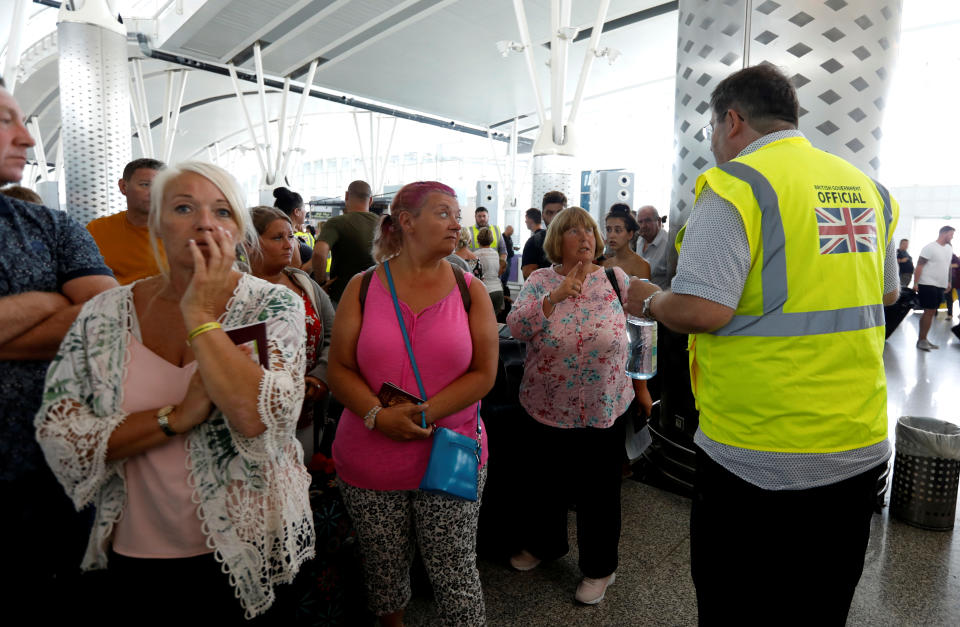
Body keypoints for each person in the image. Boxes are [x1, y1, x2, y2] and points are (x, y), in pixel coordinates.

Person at [626, 64, 900, 624]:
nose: (712, 144)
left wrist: (648, 299)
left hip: (760, 452)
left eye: (709, 130)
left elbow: (703, 308)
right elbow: (889, 291)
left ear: (732, 120)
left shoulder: (738, 186)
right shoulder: (868, 188)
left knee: (739, 605)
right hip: (857, 441)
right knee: (820, 604)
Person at [35, 161, 315, 623]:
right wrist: (177, 418)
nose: (205, 222)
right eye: (184, 207)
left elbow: (257, 419)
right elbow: (63, 436)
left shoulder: (273, 303)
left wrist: (201, 314)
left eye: (222, 212)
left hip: (251, 542)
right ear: (157, 223)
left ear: (238, 228)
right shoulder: (106, 314)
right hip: (138, 547)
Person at [328, 181, 497, 626]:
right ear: (406, 222)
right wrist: (377, 415)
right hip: (371, 456)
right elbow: (339, 367)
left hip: (451, 450)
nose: (456, 222)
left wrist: (422, 413)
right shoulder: (362, 288)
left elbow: (484, 373)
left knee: (456, 572)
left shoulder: (468, 290)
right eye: (443, 213)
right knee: (384, 571)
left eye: (456, 213)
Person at [0, 77, 118, 620]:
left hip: (58, 470)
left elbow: (107, 317)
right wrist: (48, 301)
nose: (26, 137)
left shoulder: (47, 224)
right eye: (5, 120)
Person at [506, 206, 636, 606]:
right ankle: (545, 545)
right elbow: (517, 327)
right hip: (548, 403)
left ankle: (600, 568)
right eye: (574, 231)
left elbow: (636, 329)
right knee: (546, 481)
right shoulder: (540, 280)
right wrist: (555, 297)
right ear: (556, 240)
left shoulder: (615, 279)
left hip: (604, 405)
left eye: (590, 231)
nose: (585, 237)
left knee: (599, 489)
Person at [249, 206, 335, 458]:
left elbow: (335, 333)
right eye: (277, 238)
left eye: (290, 237)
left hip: (306, 407)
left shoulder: (303, 282)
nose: (289, 245)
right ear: (250, 242)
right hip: (256, 410)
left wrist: (321, 376)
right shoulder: (236, 290)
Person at [86, 158, 165, 285]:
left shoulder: (181, 232)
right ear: (123, 186)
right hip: (109, 301)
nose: (154, 192)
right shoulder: (96, 230)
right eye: (145, 184)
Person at [913, 225, 955, 349]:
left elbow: (948, 266)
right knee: (929, 311)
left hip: (940, 285)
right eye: (951, 234)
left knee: (931, 312)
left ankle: (924, 338)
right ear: (944, 233)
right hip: (927, 283)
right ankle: (921, 340)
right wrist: (915, 283)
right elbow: (919, 265)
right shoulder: (929, 247)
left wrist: (948, 281)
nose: (952, 237)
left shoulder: (948, 248)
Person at [521, 192, 566, 279]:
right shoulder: (534, 243)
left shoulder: (580, 239)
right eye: (549, 213)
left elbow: (598, 267)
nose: (554, 217)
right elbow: (530, 281)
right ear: (542, 215)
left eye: (560, 213)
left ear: (567, 214)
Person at [604, 205, 651, 280]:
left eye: (618, 230)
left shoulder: (641, 265)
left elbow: (644, 291)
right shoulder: (606, 264)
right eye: (608, 230)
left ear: (630, 234)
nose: (611, 235)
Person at [273, 186, 313, 270]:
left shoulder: (280, 235)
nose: (305, 212)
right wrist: (316, 259)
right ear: (297, 212)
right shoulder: (289, 240)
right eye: (304, 209)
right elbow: (296, 275)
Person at [636, 205, 670, 289]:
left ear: (658, 221)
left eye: (648, 220)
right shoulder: (640, 240)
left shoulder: (668, 244)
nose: (643, 225)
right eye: (640, 222)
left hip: (660, 299)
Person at [475, 226, 505, 315]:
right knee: (494, 322)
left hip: (486, 292)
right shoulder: (496, 254)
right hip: (498, 291)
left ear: (478, 240)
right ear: (491, 240)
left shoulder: (475, 255)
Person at [469, 206, 507, 273]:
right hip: (475, 271)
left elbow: (503, 251)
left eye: (484, 216)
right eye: (479, 216)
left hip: (494, 271)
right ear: (475, 217)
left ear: (488, 216)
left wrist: (500, 267)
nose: (482, 218)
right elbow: (465, 252)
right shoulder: (469, 231)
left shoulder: (496, 229)